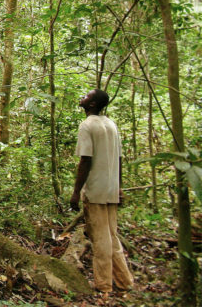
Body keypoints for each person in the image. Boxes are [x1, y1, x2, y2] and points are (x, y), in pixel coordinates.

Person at [69, 89, 133, 294]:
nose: (82, 97)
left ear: (93, 105)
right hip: (111, 188)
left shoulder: (87, 125)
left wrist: (76, 191)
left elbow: (85, 160)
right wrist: (119, 186)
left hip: (96, 190)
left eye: (87, 96)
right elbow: (120, 159)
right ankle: (124, 282)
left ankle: (104, 285)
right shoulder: (111, 125)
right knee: (112, 236)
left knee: (101, 239)